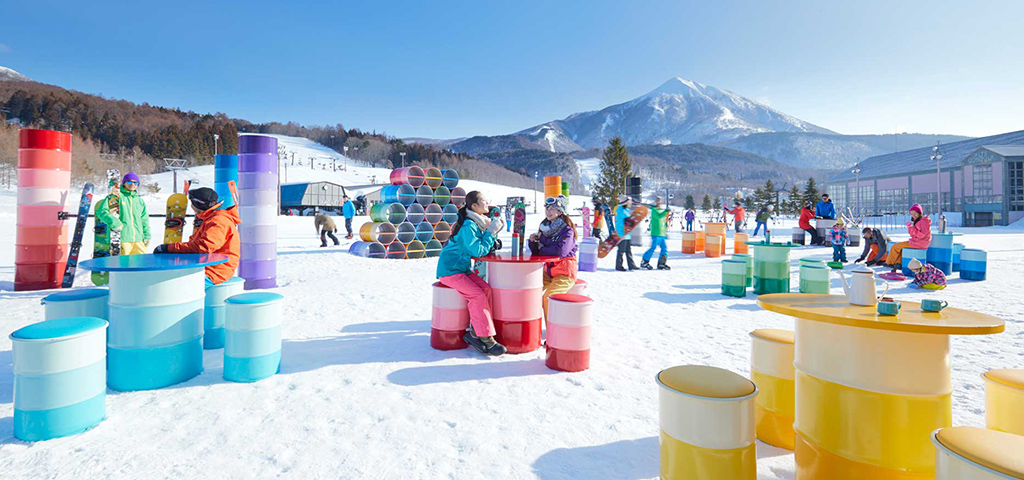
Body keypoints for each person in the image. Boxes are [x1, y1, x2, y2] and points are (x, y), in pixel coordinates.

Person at [436, 190, 506, 356]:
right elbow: (478, 250)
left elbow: (479, 247)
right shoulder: (469, 225)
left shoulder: (477, 223)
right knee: (477, 296)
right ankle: (486, 338)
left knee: (486, 290)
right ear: (474, 206)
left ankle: (476, 331)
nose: (487, 202)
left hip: (461, 268)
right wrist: (490, 233)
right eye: (483, 200)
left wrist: (492, 236)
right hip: (450, 270)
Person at [152, 188, 240, 287]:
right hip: (206, 265)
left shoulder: (218, 221)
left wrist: (169, 248)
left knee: (176, 288)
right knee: (171, 280)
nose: (191, 206)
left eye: (192, 202)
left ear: (198, 204)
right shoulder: (210, 218)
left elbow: (202, 248)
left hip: (215, 270)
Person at [528, 195, 578, 324]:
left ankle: (554, 330)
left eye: (552, 209)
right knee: (528, 290)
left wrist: (542, 247)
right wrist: (533, 242)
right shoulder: (544, 228)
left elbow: (561, 251)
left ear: (560, 211)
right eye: (547, 208)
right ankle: (529, 326)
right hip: (548, 272)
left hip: (564, 273)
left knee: (548, 298)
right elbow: (537, 252)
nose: (548, 212)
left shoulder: (567, 230)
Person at [96, 171, 150, 255]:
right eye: (129, 182)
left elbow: (144, 219)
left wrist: (147, 235)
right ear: (124, 183)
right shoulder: (116, 197)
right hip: (121, 239)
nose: (132, 184)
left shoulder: (139, 201)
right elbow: (101, 211)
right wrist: (115, 223)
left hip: (138, 240)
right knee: (123, 265)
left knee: (142, 264)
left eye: (135, 182)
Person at [885, 203, 932, 272]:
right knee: (901, 248)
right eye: (911, 214)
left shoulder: (923, 222)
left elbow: (922, 234)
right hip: (918, 242)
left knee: (895, 247)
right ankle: (898, 263)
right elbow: (913, 234)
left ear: (919, 213)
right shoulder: (918, 221)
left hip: (919, 243)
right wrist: (910, 227)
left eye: (915, 214)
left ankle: (890, 263)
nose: (913, 215)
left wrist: (912, 228)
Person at [641, 197, 670, 270]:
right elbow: (658, 217)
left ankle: (661, 263)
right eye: (657, 201)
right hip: (656, 233)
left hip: (662, 233)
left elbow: (663, 221)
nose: (658, 203)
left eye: (659, 201)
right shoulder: (654, 210)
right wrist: (665, 212)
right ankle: (645, 261)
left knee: (664, 248)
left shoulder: (660, 210)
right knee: (653, 247)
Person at [615, 195, 639, 271]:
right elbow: (627, 223)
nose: (630, 203)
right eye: (629, 202)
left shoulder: (624, 210)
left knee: (628, 250)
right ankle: (619, 266)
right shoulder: (622, 211)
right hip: (622, 234)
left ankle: (631, 265)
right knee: (621, 250)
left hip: (626, 234)